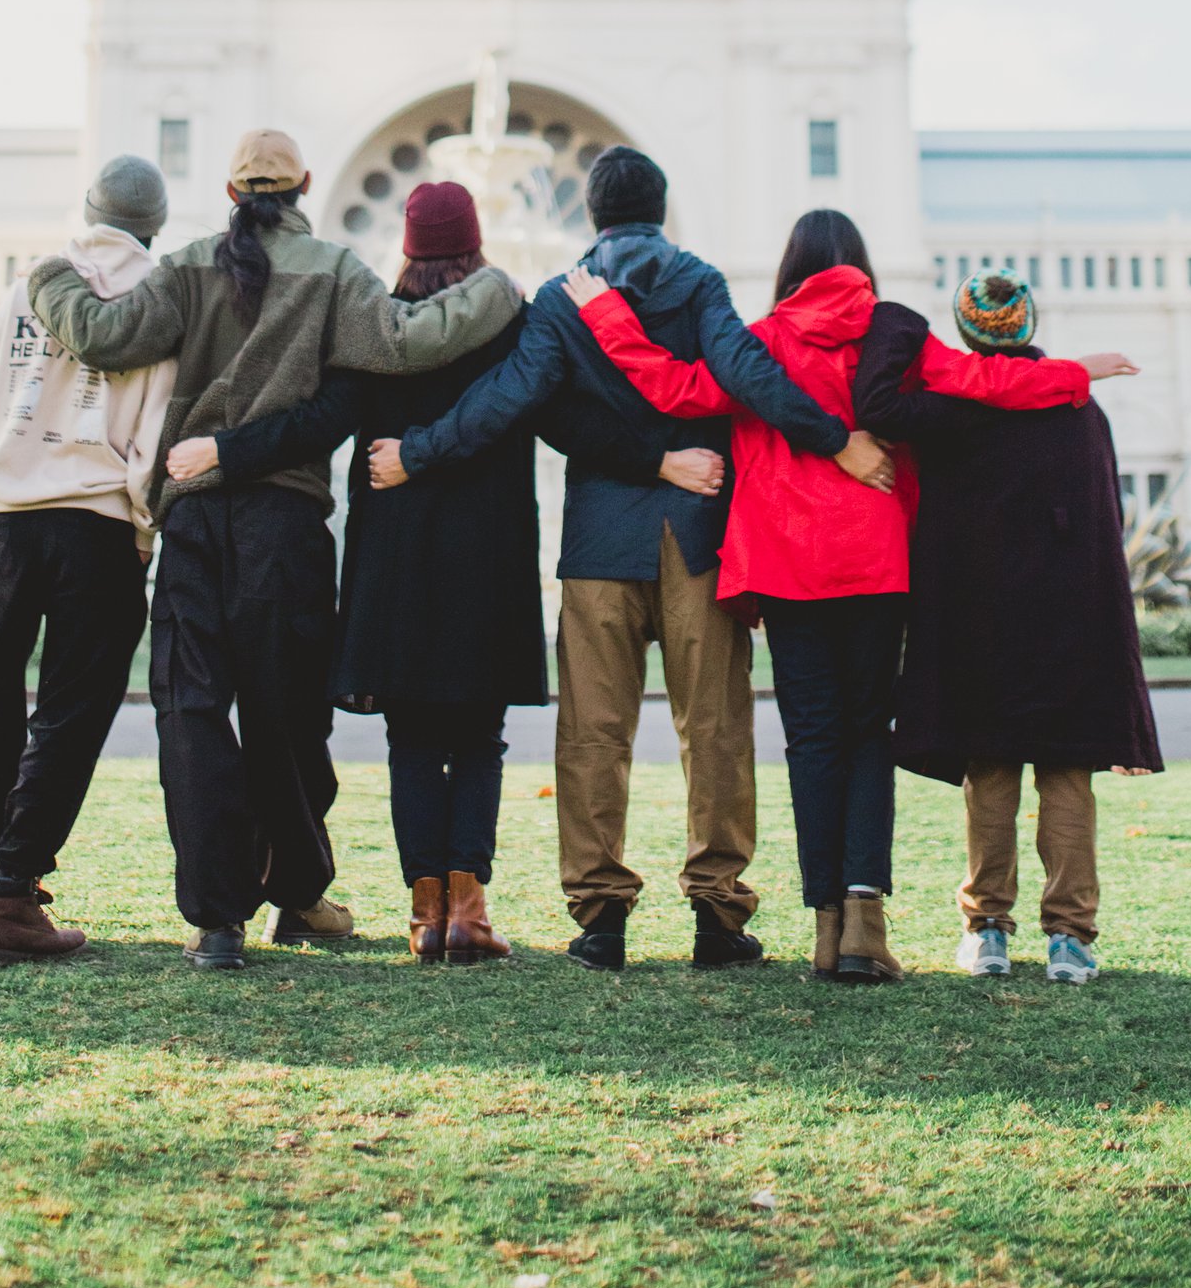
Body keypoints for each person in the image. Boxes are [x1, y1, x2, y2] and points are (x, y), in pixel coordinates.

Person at [169, 178, 720, 964]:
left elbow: (326, 417)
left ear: (408, 245)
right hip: (487, 560)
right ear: (474, 242)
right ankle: (469, 908)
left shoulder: (376, 327)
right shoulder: (509, 322)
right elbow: (561, 416)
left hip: (395, 563)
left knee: (413, 740)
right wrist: (658, 457)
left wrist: (226, 448)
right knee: (479, 738)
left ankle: (425, 913)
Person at [564, 208, 1114, 983]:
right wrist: (1075, 373)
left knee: (813, 741)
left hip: (786, 563)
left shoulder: (757, 341)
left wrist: (605, 314)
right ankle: (865, 923)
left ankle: (827, 929)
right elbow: (979, 380)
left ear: (790, 268)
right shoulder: (896, 338)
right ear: (860, 264)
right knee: (866, 736)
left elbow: (673, 387)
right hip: (876, 560)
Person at [26, 129, 521, 970]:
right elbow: (408, 339)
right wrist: (496, 288)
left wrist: (48, 277)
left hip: (192, 516)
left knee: (191, 711)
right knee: (286, 718)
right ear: (306, 186)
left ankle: (215, 919)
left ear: (230, 192)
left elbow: (104, 335)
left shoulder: (186, 267)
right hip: (284, 523)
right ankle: (296, 892)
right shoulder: (333, 272)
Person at [367, 145, 868, 971]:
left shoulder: (561, 297)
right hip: (699, 534)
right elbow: (745, 371)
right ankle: (717, 914)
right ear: (659, 208)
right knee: (715, 729)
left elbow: (514, 401)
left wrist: (417, 451)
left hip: (599, 538)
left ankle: (600, 916)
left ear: (593, 214)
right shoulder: (698, 282)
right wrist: (833, 437)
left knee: (593, 734)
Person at [854, 269, 1160, 985]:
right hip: (1067, 614)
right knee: (1066, 772)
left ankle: (987, 927)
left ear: (966, 334)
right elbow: (1103, 520)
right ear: (1030, 326)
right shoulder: (1079, 409)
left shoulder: (950, 406)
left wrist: (897, 325)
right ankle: (1070, 936)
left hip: (976, 615)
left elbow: (884, 409)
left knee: (989, 769)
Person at [0, 153, 178, 967]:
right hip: (97, 524)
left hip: (6, 516)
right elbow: (154, 424)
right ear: (154, 225)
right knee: (71, 713)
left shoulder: (33, 282)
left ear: (88, 210)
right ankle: (12, 895)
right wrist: (143, 523)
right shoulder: (160, 297)